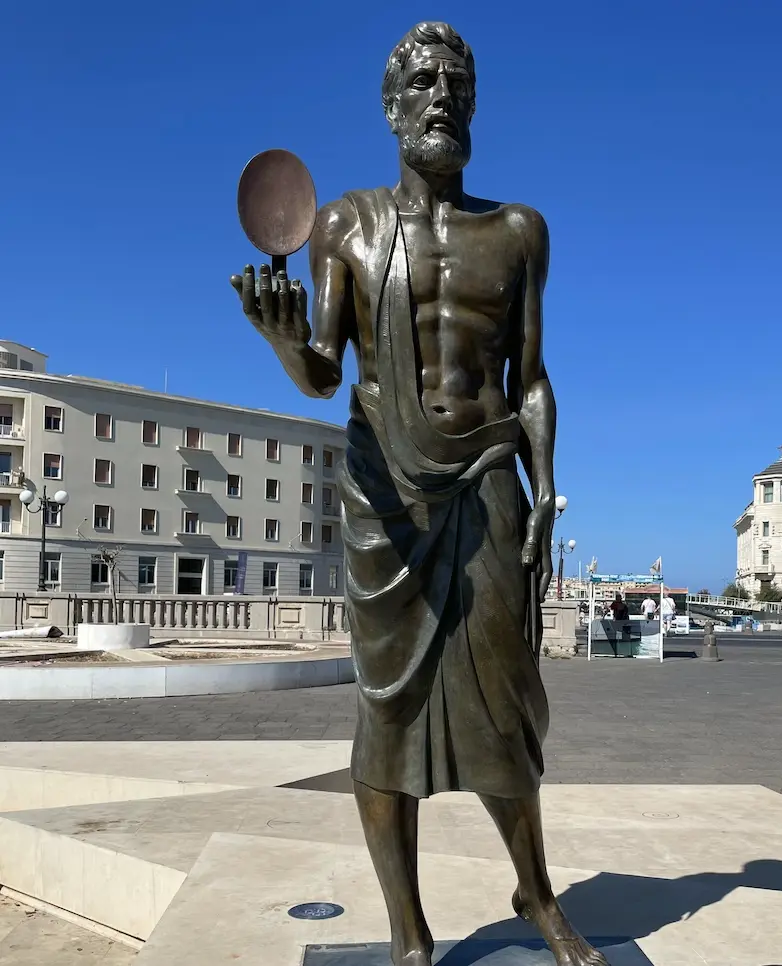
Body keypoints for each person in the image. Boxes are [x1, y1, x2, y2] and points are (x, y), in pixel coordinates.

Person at [231, 22, 605, 966]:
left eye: (457, 84)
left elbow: (530, 377)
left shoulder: (519, 231)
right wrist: (282, 342)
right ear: (391, 106)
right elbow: (324, 372)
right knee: (387, 711)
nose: (442, 97)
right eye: (424, 82)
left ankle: (536, 891)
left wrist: (546, 488)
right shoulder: (343, 226)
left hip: (488, 478)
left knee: (507, 704)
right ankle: (408, 932)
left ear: (473, 105)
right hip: (385, 495)